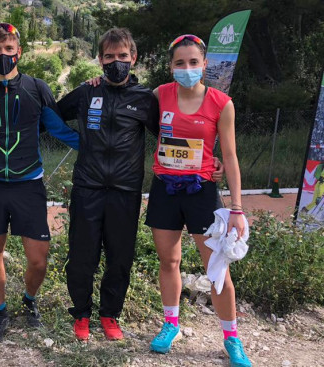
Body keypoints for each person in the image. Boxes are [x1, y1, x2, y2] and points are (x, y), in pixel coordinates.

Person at [0, 23, 80, 343]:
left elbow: (58, 129)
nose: (3, 55)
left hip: (29, 183)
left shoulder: (37, 88)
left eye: (9, 49)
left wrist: (96, 146)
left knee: (39, 259)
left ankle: (29, 300)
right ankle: (0, 312)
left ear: (19, 52)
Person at [145, 34, 251, 367]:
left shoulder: (221, 103)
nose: (187, 68)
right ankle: (171, 324)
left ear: (204, 65)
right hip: (164, 188)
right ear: (171, 66)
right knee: (168, 262)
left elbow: (230, 157)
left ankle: (232, 338)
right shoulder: (159, 95)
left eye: (193, 62)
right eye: (180, 63)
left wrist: (236, 208)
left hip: (202, 191)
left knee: (217, 269)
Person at [56, 28, 160, 341]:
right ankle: (82, 315)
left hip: (125, 191)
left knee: (120, 257)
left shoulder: (144, 99)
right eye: (110, 56)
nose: (117, 62)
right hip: (87, 187)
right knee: (81, 256)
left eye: (123, 56)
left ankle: (110, 315)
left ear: (134, 58)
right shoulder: (87, 92)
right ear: (100, 59)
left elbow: (167, 135)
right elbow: (54, 114)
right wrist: (79, 142)